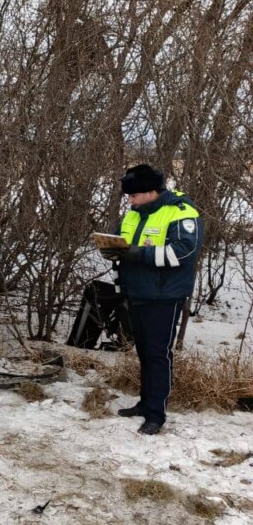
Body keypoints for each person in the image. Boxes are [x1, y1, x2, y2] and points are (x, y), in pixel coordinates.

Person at [100, 164, 203, 435]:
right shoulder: (134, 214)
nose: (129, 201)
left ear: (151, 192)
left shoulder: (181, 212)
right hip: (135, 292)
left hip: (163, 295)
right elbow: (123, 242)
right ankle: (145, 403)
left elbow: (183, 252)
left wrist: (139, 255)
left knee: (158, 354)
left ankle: (156, 413)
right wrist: (112, 250)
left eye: (133, 195)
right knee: (145, 352)